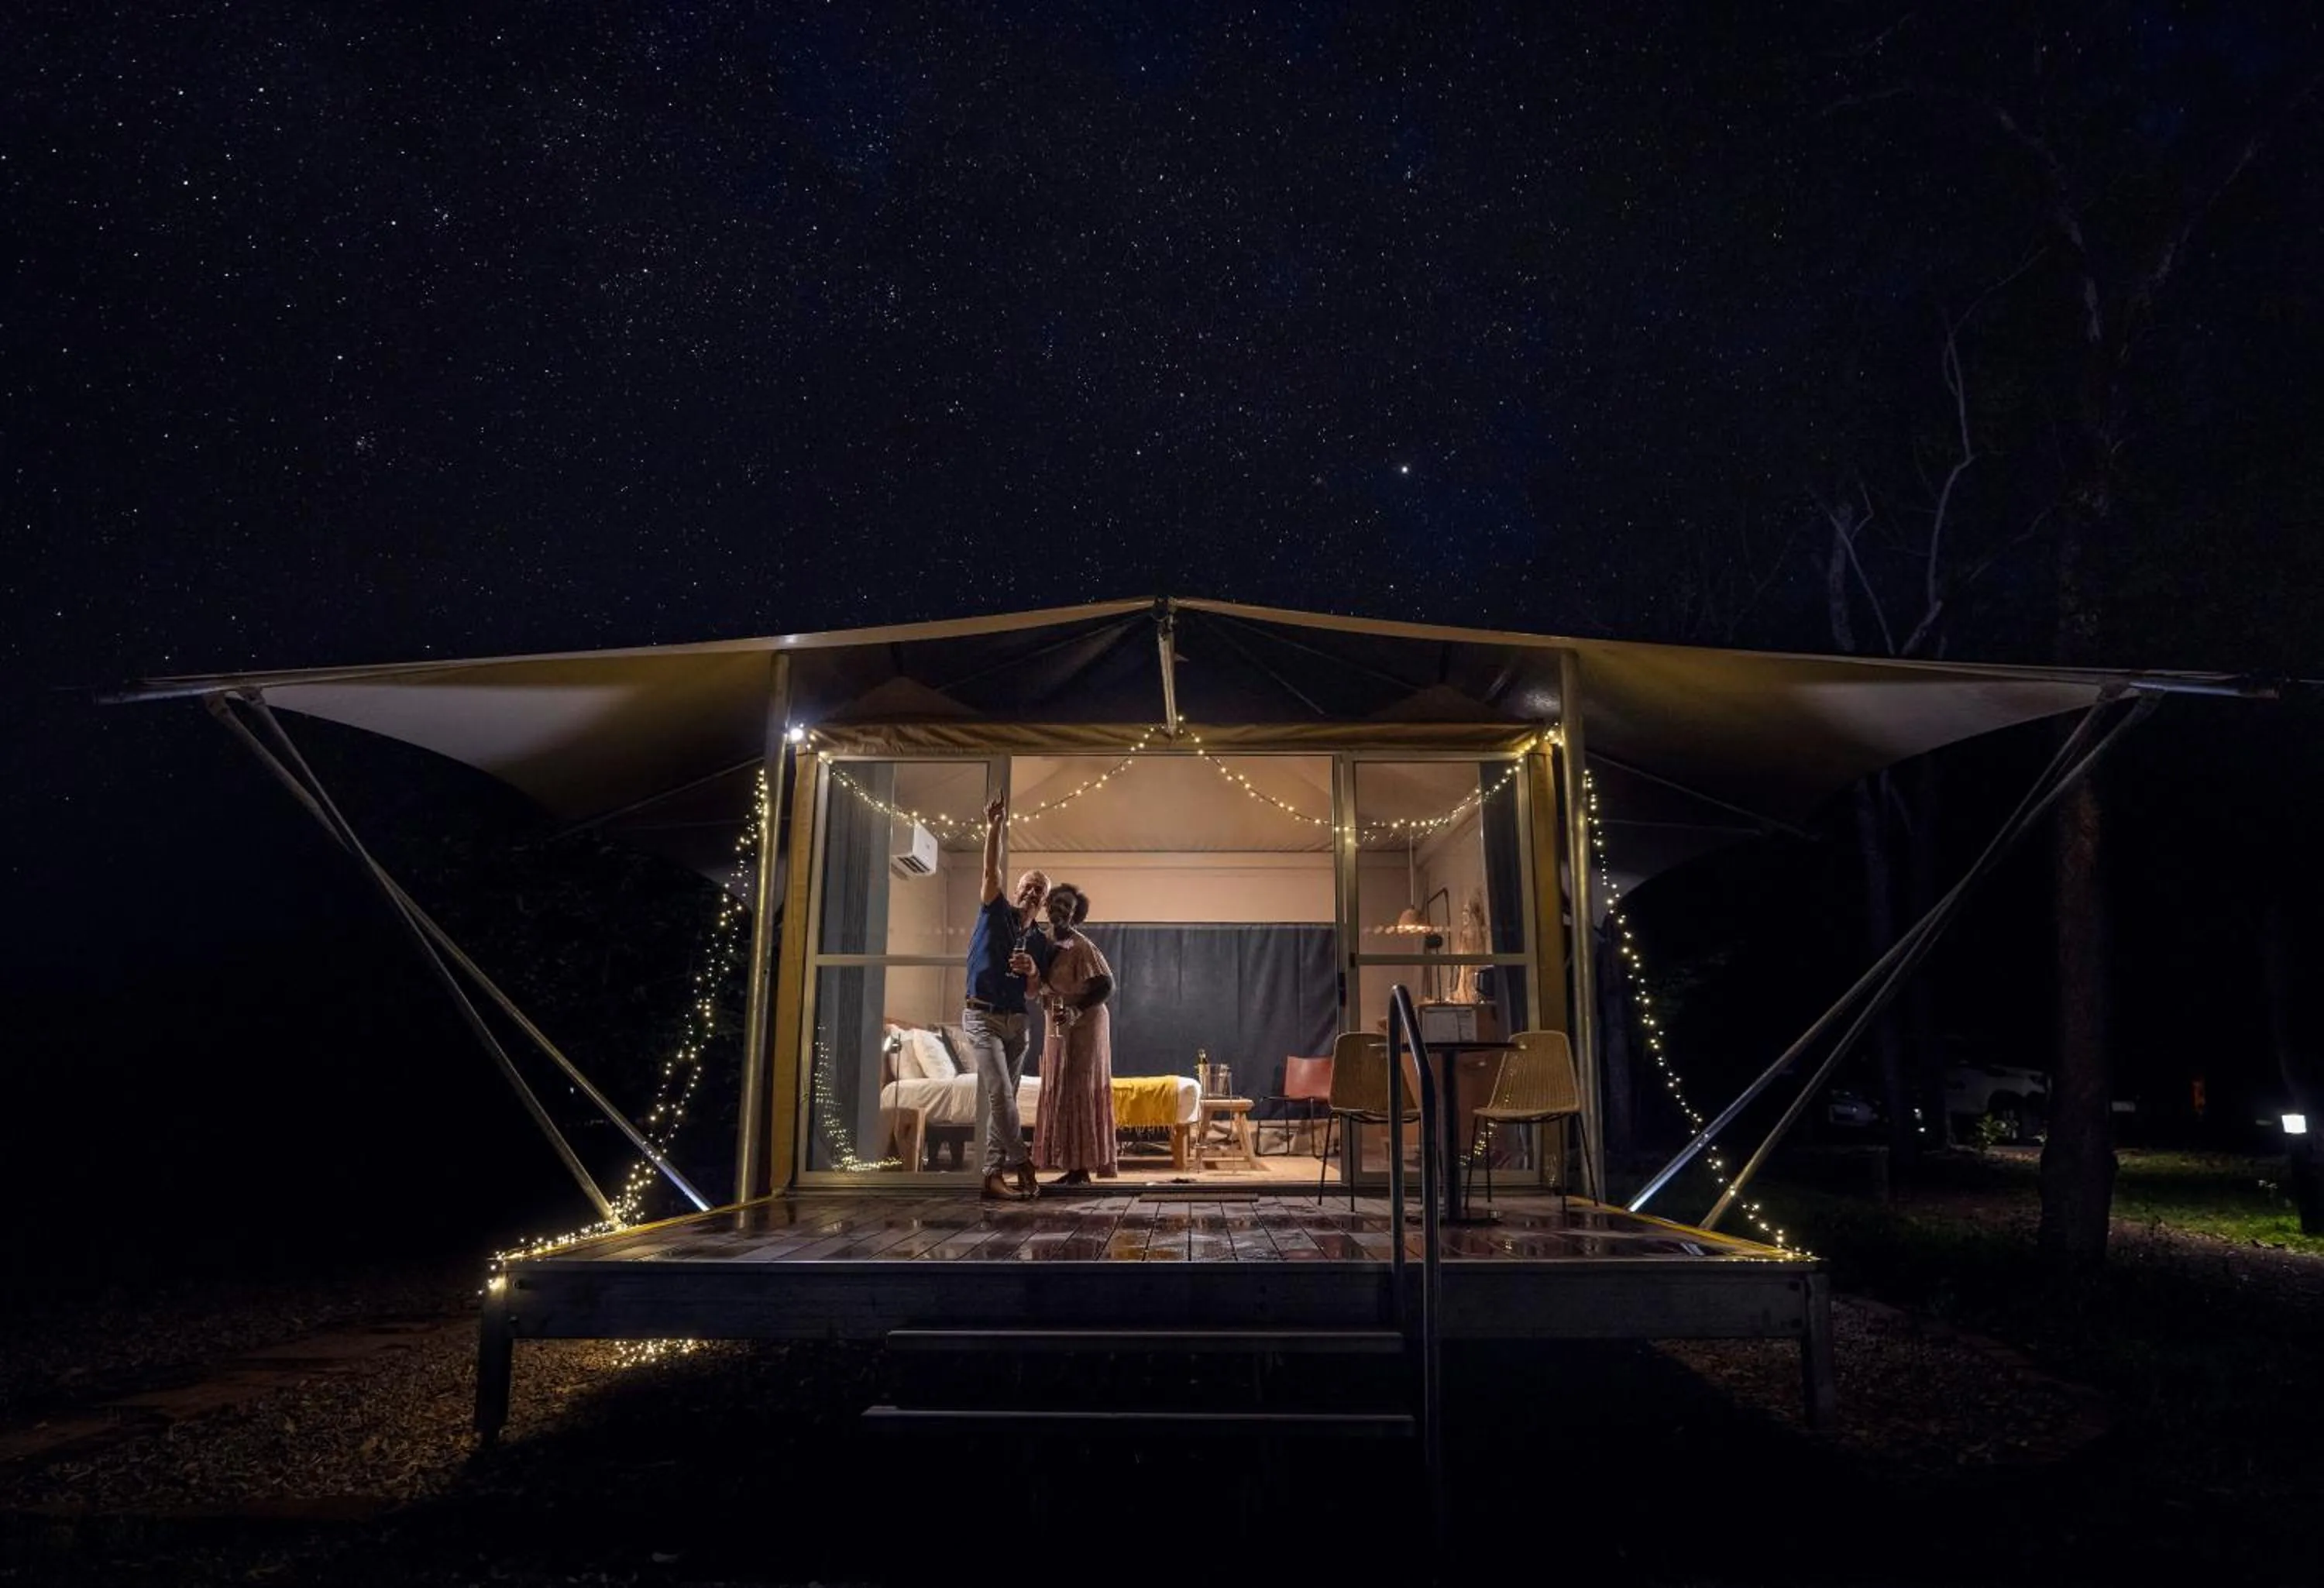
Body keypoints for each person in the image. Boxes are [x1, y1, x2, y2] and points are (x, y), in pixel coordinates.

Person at [961, 797, 1053, 1201]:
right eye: (1028, 887)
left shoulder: (1039, 940)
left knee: (1008, 1100)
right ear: (1017, 891)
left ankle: (991, 1176)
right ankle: (1024, 1162)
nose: (1032, 892)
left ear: (1044, 901)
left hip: (1018, 1023)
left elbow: (1035, 994)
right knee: (999, 1093)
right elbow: (989, 868)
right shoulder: (994, 909)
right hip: (981, 1016)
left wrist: (1032, 970)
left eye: (1040, 890)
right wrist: (995, 824)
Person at [1030, 882, 1118, 1187]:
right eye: (1056, 903)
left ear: (1075, 914)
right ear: (1047, 906)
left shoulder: (1082, 947)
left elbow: (1107, 986)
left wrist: (1076, 1010)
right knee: (1060, 1084)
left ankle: (1082, 1170)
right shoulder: (1042, 942)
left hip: (1086, 1021)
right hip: (1056, 1020)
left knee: (1079, 1085)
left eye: (1067, 906)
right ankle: (1070, 1166)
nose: (1060, 909)